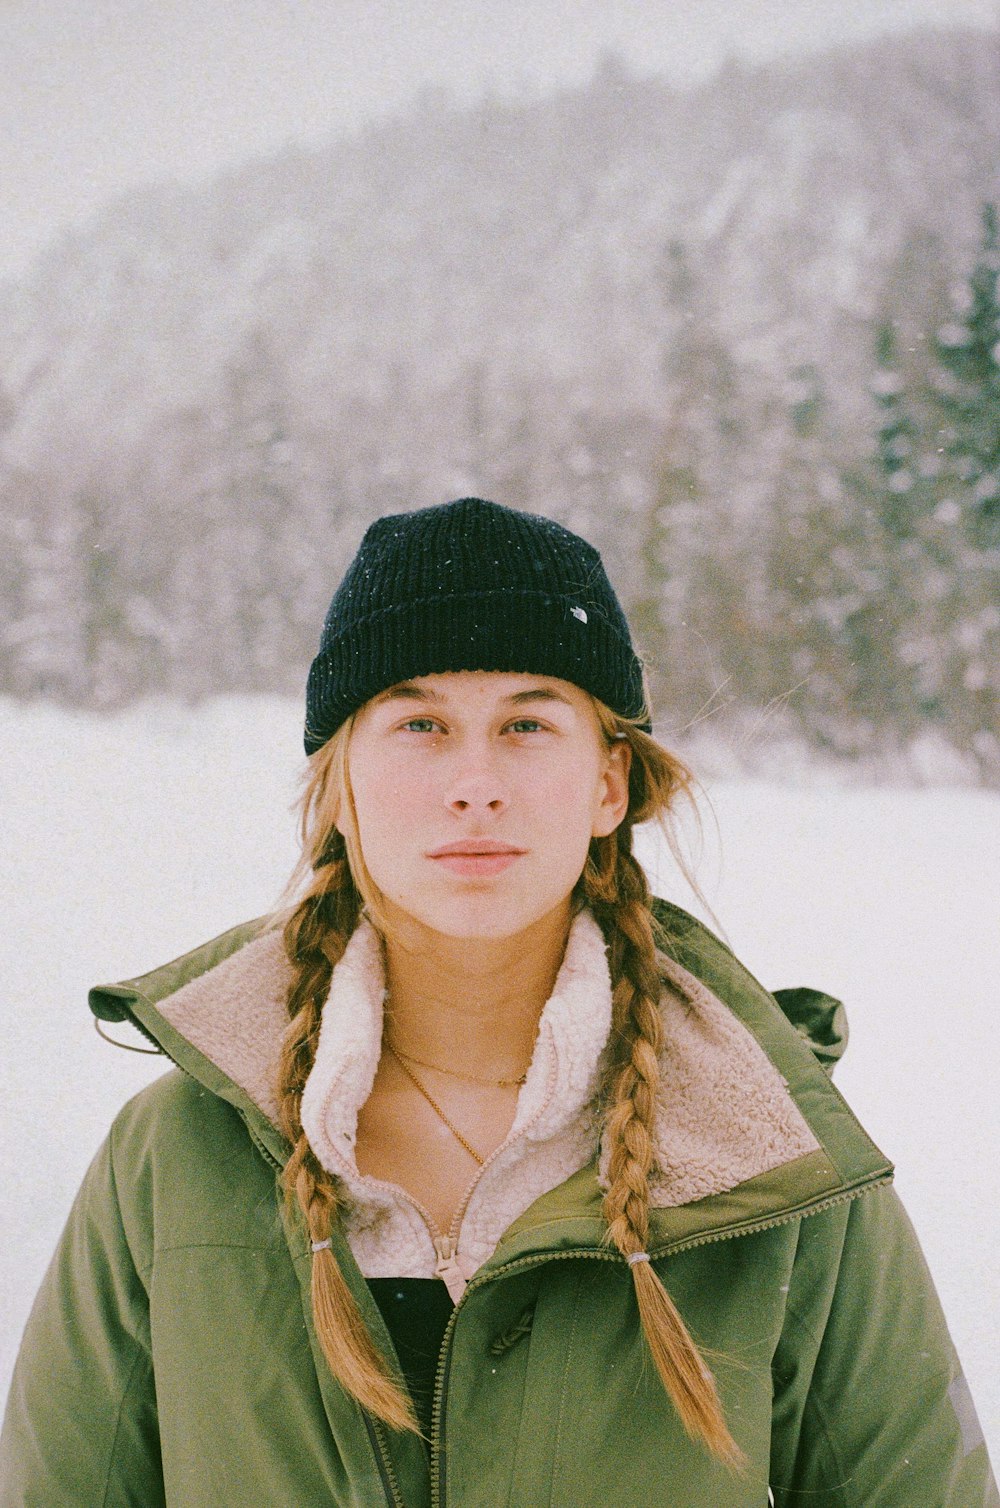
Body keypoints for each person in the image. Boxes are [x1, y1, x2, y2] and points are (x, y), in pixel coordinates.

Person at [0, 496, 995, 1507]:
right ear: (339, 785)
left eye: (526, 723)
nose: (474, 782)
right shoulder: (176, 1159)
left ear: (609, 782)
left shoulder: (771, 1167)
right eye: (420, 723)